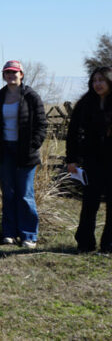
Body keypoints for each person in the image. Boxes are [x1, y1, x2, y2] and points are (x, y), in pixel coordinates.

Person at [0, 60, 47, 249]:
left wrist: (32, 145)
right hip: (5, 152)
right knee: (8, 194)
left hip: (25, 153)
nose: (11, 75)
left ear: (21, 74)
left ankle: (28, 235)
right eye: (7, 72)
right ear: (4, 76)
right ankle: (9, 233)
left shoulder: (31, 97)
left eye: (14, 72)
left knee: (25, 194)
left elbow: (41, 125)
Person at [66, 66, 112, 253]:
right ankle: (85, 243)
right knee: (89, 204)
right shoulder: (85, 103)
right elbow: (74, 133)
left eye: (101, 80)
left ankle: (109, 245)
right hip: (92, 161)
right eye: (94, 80)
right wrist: (72, 159)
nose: (97, 84)